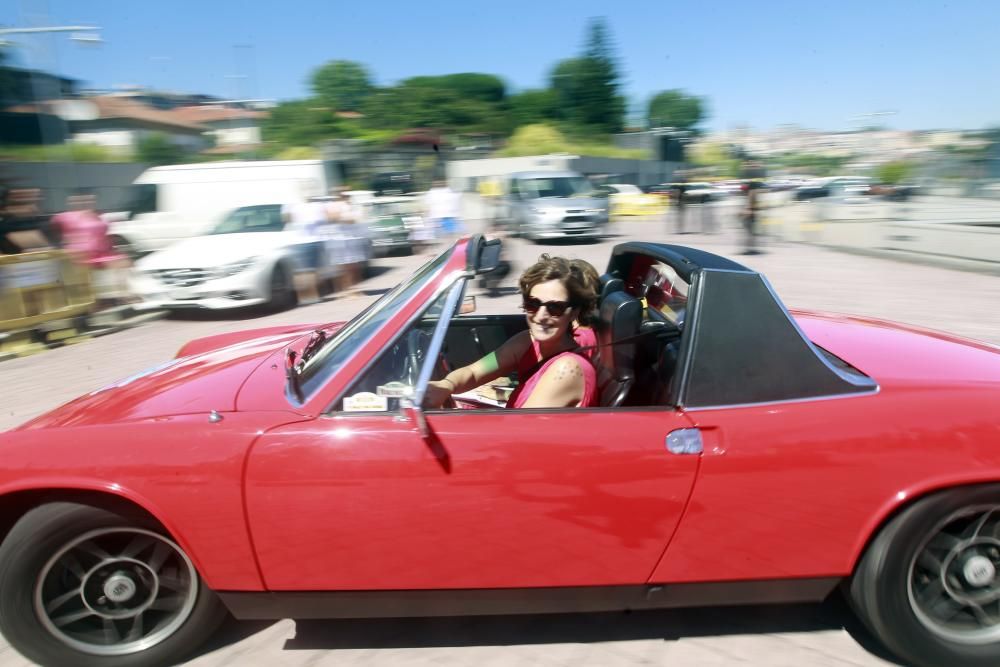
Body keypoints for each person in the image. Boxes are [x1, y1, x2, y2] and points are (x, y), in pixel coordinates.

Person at [425, 255, 599, 409]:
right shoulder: (526, 342)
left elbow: (517, 430)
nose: (540, 316)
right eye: (532, 304)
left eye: (555, 307)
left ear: (574, 312)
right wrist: (446, 385)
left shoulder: (567, 368)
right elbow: (473, 372)